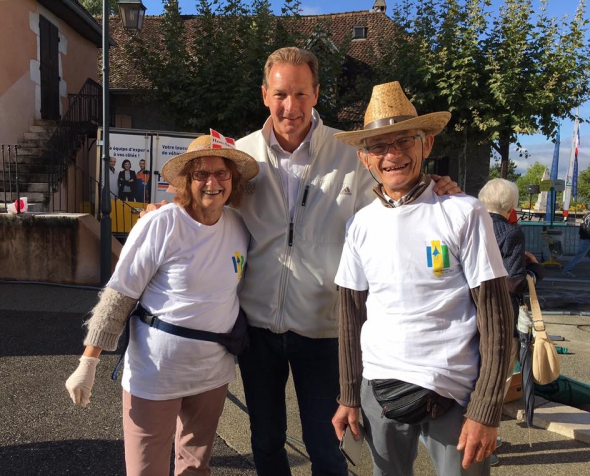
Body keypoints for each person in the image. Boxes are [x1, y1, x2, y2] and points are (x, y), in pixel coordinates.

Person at [143, 47, 461, 475]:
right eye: (279, 94)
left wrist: (435, 185)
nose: (289, 106)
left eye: (300, 94)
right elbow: (207, 206)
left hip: (324, 329)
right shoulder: (243, 155)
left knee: (326, 446)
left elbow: (397, 190)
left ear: (316, 94)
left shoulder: (352, 155)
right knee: (267, 442)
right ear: (264, 95)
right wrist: (165, 213)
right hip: (256, 327)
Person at [331, 81, 514, 476]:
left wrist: (487, 409)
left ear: (426, 145)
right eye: (379, 146)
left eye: (404, 141)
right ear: (364, 158)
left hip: (454, 394)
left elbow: (498, 319)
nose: (392, 154)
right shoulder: (360, 224)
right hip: (379, 391)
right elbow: (349, 315)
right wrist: (348, 395)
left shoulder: (465, 212)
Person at [65, 132, 259, 476]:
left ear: (233, 179)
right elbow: (120, 294)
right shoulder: (161, 223)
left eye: (221, 173)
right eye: (201, 174)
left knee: (195, 468)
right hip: (155, 376)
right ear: (186, 180)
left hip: (213, 375)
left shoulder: (239, 227)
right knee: (145, 471)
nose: (212, 182)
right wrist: (88, 361)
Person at [478, 178, 545, 465]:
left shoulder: (473, 226)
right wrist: (533, 269)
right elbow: (514, 282)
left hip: (469, 314)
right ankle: (484, 449)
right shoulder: (511, 232)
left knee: (474, 379)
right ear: (511, 205)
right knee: (498, 379)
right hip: (502, 317)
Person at [562, 213, 590, 277]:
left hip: (584, 237)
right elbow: (588, 230)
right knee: (579, 256)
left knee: (581, 255)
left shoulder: (586, 215)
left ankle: (567, 269)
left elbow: (582, 227)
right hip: (587, 239)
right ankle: (567, 270)